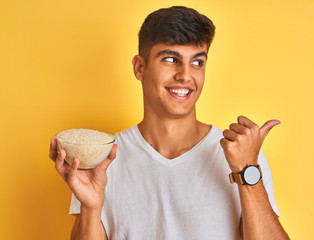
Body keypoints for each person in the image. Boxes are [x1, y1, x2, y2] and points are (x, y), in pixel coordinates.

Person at [49, 6, 289, 240]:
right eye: (171, 59)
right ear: (140, 67)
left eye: (197, 62)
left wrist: (248, 172)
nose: (185, 75)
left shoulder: (242, 158)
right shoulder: (104, 160)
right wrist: (90, 208)